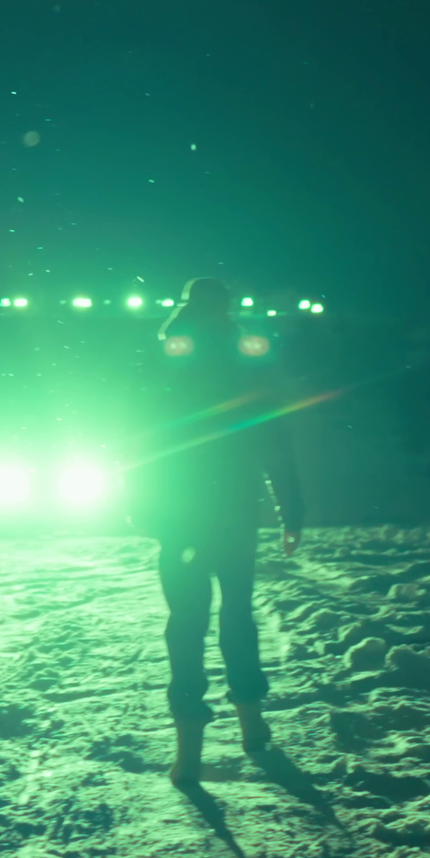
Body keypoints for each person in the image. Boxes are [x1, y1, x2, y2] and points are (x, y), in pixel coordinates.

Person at [122, 276, 306, 787]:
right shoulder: (242, 359)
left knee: (186, 625)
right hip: (233, 510)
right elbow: (275, 440)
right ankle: (251, 722)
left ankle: (190, 749)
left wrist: (139, 503)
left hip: (180, 513)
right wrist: (292, 511)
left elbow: (136, 439)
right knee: (237, 615)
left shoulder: (165, 358)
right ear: (225, 309)